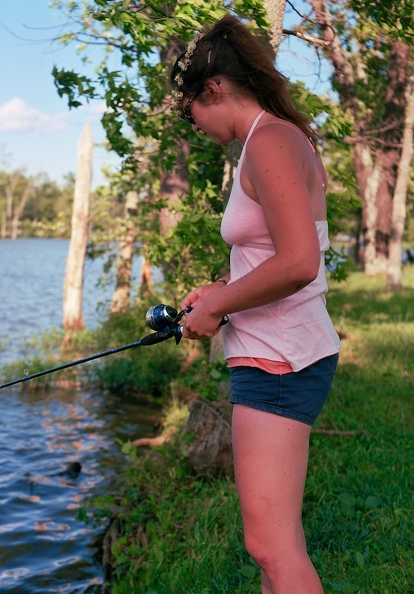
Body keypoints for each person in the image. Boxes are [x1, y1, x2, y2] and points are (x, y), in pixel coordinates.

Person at [170, 14, 341, 594]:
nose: (192, 121)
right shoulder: (272, 138)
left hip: (281, 359)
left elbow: (298, 263)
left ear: (213, 89)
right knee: (270, 550)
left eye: (191, 106)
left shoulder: (269, 140)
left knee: (272, 548)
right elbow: (276, 252)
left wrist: (220, 307)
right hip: (275, 352)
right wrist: (221, 290)